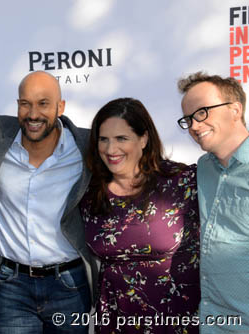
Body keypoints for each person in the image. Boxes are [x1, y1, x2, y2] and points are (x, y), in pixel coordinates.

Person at [0, 70, 98, 333]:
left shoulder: (87, 145)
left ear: (60, 107)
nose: (33, 114)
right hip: (12, 284)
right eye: (25, 103)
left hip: (70, 285)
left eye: (43, 103)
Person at [80, 98, 200, 333]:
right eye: (103, 139)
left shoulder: (181, 181)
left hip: (175, 318)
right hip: (116, 320)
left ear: (143, 139)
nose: (110, 149)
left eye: (121, 138)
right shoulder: (90, 193)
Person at [177, 72, 249, 332]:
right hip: (212, 321)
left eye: (202, 112)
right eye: (188, 119)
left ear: (235, 109)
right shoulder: (203, 168)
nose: (194, 126)